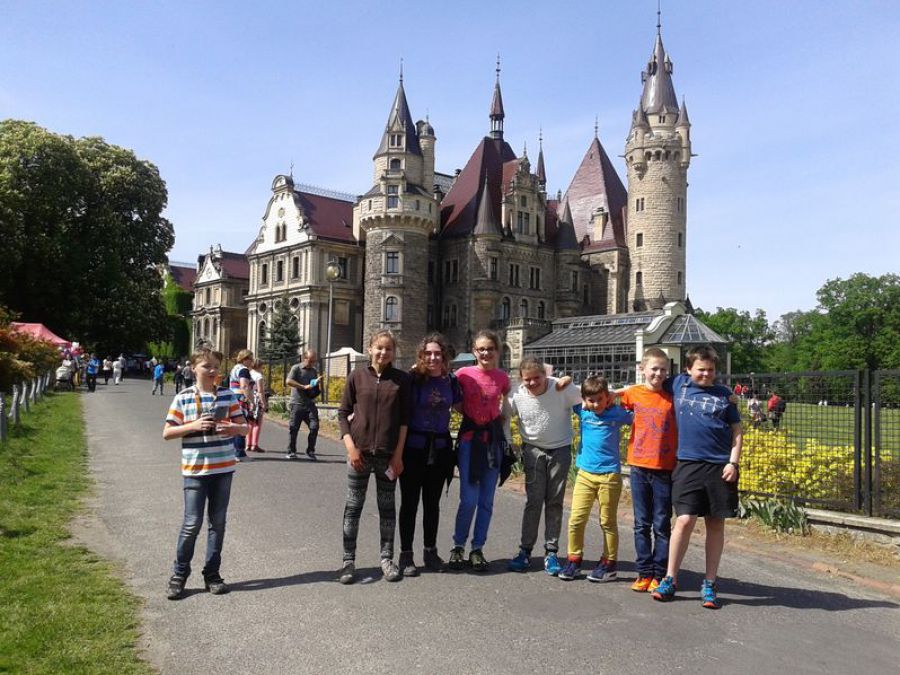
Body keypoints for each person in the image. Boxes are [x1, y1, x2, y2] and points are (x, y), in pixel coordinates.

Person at [651, 345, 743, 609]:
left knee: (715, 523)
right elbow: (649, 381)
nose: (706, 374)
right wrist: (613, 393)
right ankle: (670, 578)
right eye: (701, 370)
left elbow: (737, 432)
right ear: (688, 369)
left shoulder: (724, 395)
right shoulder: (678, 385)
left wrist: (733, 463)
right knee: (684, 520)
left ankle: (710, 583)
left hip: (719, 466)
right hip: (688, 464)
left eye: (711, 370)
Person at [162, 348, 248, 600]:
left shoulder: (228, 395)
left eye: (216, 367)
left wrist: (233, 428)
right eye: (206, 366)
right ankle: (179, 575)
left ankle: (212, 574)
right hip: (195, 470)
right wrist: (194, 426)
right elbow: (167, 432)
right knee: (191, 524)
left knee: (217, 524)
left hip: (223, 469)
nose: (212, 371)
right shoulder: (184, 397)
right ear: (193, 368)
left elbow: (244, 428)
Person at [337, 331, 411, 584]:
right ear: (370, 349)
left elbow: (404, 421)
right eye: (379, 347)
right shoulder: (357, 377)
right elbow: (343, 413)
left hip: (387, 457)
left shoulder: (401, 380)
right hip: (359, 455)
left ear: (394, 352)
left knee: (387, 509)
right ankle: (348, 561)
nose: (383, 353)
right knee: (353, 508)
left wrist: (398, 455)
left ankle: (386, 559)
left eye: (388, 349)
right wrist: (351, 447)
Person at [506, 357, 582, 576]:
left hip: (560, 449)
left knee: (555, 502)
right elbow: (503, 417)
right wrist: (509, 441)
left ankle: (551, 551)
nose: (532, 383)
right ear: (521, 378)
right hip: (533, 451)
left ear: (545, 375)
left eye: (536, 378)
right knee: (533, 501)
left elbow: (588, 397)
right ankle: (525, 550)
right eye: (527, 379)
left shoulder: (560, 388)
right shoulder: (516, 394)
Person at [398, 333, 461, 577]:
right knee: (409, 503)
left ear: (444, 356)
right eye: (428, 353)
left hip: (441, 449)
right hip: (414, 448)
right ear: (421, 356)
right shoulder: (412, 379)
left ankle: (430, 551)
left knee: (432, 504)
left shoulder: (451, 381)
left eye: (437, 353)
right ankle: (406, 554)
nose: (433, 357)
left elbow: (463, 407)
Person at [558, 376, 633, 582]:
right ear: (584, 400)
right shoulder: (582, 411)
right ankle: (574, 559)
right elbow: (565, 391)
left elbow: (637, 414)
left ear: (607, 397)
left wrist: (618, 394)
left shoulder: (617, 413)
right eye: (591, 400)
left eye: (600, 399)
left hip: (609, 475)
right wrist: (566, 380)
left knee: (607, 521)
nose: (596, 404)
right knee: (576, 519)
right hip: (585, 474)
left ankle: (609, 563)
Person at [448, 329, 511, 573]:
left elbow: (510, 403)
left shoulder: (502, 377)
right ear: (474, 351)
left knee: (486, 501)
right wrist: (472, 417)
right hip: (469, 441)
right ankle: (458, 545)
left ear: (497, 351)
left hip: (492, 443)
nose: (485, 353)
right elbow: (453, 399)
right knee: (468, 499)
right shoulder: (463, 374)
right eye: (481, 349)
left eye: (490, 349)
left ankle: (477, 548)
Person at [619, 347, 677, 592]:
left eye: (663, 369)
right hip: (639, 466)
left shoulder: (672, 396)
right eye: (654, 369)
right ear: (642, 369)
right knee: (641, 523)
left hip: (664, 467)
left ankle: (659, 572)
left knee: (661, 524)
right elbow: (608, 399)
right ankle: (644, 571)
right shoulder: (633, 393)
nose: (658, 374)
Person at [285, 349, 320, 460]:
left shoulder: (313, 371)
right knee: (294, 428)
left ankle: (310, 451)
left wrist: (316, 386)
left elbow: (313, 386)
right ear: (304, 358)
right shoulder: (296, 368)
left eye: (314, 361)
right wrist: (303, 387)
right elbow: (288, 381)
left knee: (314, 427)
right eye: (311, 361)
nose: (312, 363)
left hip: (310, 404)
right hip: (297, 403)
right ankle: (291, 451)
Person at [228, 350, 255, 461]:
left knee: (235, 425)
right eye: (251, 359)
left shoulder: (235, 368)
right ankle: (239, 453)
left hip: (233, 397)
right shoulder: (244, 370)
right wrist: (251, 400)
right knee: (241, 425)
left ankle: (234, 451)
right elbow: (244, 386)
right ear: (245, 359)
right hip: (241, 398)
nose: (252, 362)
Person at [247, 358, 268, 453]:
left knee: (250, 422)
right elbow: (260, 391)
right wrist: (263, 402)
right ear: (259, 366)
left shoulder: (249, 374)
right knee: (257, 422)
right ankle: (254, 444)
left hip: (249, 398)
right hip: (257, 399)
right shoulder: (259, 376)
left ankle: (248, 444)